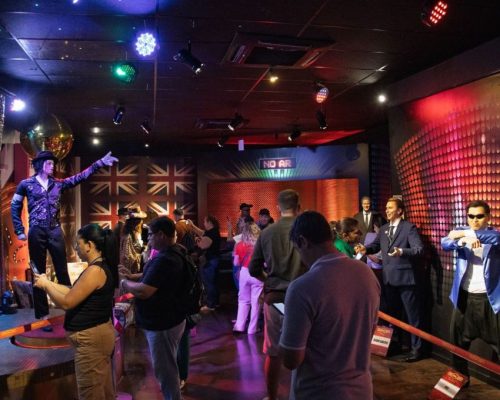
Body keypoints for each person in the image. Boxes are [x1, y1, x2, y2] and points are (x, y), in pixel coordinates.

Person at [280, 211, 380, 400]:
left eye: (297, 250)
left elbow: (291, 359)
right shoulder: (366, 274)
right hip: (361, 390)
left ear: (302, 241)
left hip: (318, 392)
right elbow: (369, 331)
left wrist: (284, 330)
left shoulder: (301, 288)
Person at [11, 150, 118, 319]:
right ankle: (42, 314)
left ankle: (70, 307)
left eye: (53, 163)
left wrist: (100, 163)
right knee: (38, 272)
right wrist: (19, 229)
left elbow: (79, 177)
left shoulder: (57, 184)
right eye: (49, 163)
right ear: (40, 164)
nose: (52, 166)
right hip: (36, 230)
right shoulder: (26, 184)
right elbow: (15, 206)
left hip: (54, 229)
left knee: (61, 269)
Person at [33, 224, 117, 400]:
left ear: (89, 245)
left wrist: (46, 286)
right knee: (101, 391)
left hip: (91, 342)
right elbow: (73, 292)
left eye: (78, 244)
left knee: (91, 393)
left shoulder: (95, 271)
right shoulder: (96, 268)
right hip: (96, 338)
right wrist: (48, 282)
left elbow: (67, 302)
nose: (76, 248)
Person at [120, 216, 187, 400]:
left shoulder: (165, 259)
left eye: (150, 235)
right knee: (168, 366)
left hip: (163, 323)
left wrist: (125, 283)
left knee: (165, 370)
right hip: (171, 319)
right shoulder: (176, 251)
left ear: (161, 235)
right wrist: (133, 276)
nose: (148, 239)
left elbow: (144, 291)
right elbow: (154, 276)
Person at [249, 189, 305, 400]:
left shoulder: (267, 232)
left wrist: (269, 280)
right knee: (305, 349)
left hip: (275, 299)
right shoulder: (305, 230)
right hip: (304, 299)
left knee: (273, 353)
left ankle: (272, 397)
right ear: (299, 206)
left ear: (277, 207)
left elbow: (253, 268)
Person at [356, 197, 424, 362]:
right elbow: (375, 246)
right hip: (388, 279)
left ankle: (417, 349)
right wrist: (365, 249)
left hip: (406, 280)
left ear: (400, 210)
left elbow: (418, 249)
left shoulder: (409, 228)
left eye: (390, 208)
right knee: (393, 316)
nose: (386, 210)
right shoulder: (384, 228)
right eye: (386, 208)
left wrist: (402, 251)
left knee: (412, 316)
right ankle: (397, 345)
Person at [441, 200, 499, 382]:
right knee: (457, 346)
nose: (475, 220)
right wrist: (461, 241)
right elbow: (445, 243)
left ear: (488, 217)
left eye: (479, 216)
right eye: (471, 216)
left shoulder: (494, 235)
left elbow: (495, 238)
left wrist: (465, 235)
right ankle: (460, 380)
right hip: (464, 297)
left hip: (491, 301)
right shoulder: (462, 234)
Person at [233, 221, 263, 334]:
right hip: (257, 273)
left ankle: (239, 326)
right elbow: (265, 262)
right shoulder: (260, 245)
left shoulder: (239, 244)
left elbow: (236, 263)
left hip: (244, 273)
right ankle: (252, 329)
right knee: (256, 303)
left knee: (243, 301)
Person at [188, 215, 221, 311]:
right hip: (214, 260)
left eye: (205, 222)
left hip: (210, 261)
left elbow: (203, 245)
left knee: (209, 282)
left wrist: (196, 239)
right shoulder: (212, 231)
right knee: (213, 282)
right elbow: (202, 233)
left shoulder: (212, 233)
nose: (204, 223)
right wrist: (192, 226)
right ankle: (215, 303)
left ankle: (210, 305)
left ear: (210, 222)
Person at [119, 207, 147, 281]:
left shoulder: (137, 232)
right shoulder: (128, 235)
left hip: (138, 266)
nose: (141, 221)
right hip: (131, 268)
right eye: (139, 219)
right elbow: (126, 255)